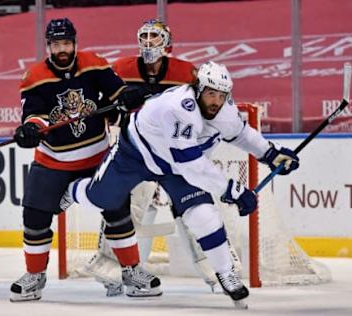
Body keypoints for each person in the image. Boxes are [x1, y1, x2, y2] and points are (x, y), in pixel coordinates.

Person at [60, 60, 300, 305]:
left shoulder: (223, 108)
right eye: (210, 93)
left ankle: (226, 274)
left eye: (221, 95)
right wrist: (233, 190)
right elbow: (192, 166)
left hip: (173, 167)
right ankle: (71, 191)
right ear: (198, 89)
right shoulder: (179, 109)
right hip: (136, 155)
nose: (216, 101)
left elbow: (241, 134)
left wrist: (271, 154)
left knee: (204, 214)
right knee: (101, 198)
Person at [10, 17, 161, 302]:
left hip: (97, 158)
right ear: (49, 47)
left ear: (75, 43)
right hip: (54, 161)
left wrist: (129, 96)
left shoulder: (95, 64)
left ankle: (131, 271)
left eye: (66, 43)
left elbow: (117, 93)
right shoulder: (34, 76)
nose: (62, 49)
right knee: (34, 216)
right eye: (56, 44)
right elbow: (34, 114)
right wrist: (31, 128)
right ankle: (35, 276)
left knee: (118, 212)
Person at [87, 19, 223, 295]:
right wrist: (117, 106)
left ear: (168, 42)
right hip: (137, 153)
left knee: (193, 207)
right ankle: (111, 268)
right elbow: (107, 108)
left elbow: (205, 110)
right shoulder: (121, 69)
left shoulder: (187, 72)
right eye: (144, 36)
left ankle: (218, 270)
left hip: (175, 156)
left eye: (155, 36)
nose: (149, 42)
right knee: (125, 206)